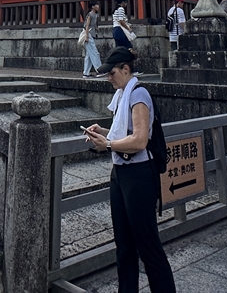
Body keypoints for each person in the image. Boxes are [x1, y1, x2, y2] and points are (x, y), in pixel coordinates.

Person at [84, 48, 176, 293]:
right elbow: (123, 133)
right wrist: (103, 133)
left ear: (126, 69)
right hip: (120, 173)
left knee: (148, 246)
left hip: (139, 175)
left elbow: (139, 140)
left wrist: (108, 144)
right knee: (124, 245)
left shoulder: (138, 94)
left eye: (112, 73)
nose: (108, 78)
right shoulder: (122, 95)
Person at [83, 3, 103, 77]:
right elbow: (87, 25)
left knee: (89, 55)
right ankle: (99, 70)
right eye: (96, 5)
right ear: (92, 6)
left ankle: (86, 73)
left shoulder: (95, 15)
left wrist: (96, 29)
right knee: (95, 53)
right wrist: (87, 36)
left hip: (91, 34)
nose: (98, 6)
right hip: (89, 35)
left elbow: (93, 24)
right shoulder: (90, 14)